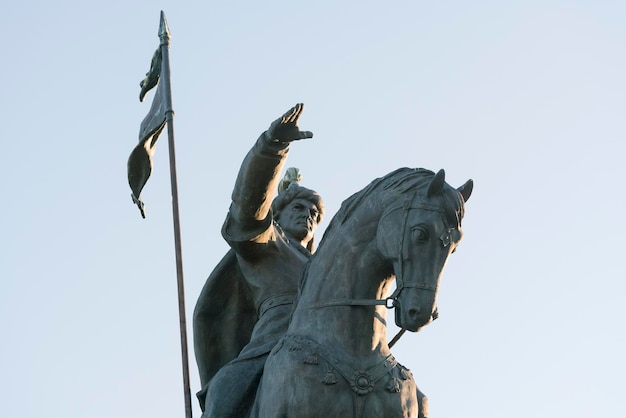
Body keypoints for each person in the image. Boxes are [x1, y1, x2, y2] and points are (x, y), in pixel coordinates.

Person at [193, 103, 324, 417]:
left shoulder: (325, 266)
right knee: (223, 397)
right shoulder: (268, 245)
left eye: (314, 214)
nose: (307, 216)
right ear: (277, 214)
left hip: (334, 349)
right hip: (270, 346)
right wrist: (271, 148)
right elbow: (248, 212)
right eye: (298, 209)